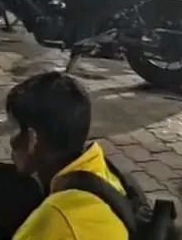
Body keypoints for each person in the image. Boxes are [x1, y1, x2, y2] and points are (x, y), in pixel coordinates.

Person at [8, 72, 128, 239]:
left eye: (14, 129)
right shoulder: (100, 169)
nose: (11, 141)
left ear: (32, 139)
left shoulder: (56, 217)